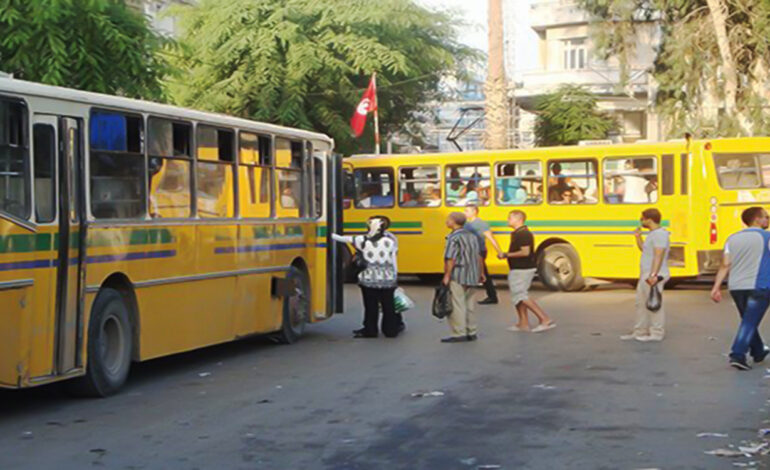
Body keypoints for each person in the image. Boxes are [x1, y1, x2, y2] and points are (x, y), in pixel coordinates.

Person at [710, 207, 770, 370]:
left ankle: (758, 351)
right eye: (766, 217)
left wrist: (716, 287)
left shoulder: (732, 238)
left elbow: (725, 264)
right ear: (758, 219)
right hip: (760, 284)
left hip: (736, 286)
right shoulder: (767, 237)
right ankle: (737, 354)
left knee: (748, 319)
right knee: (750, 321)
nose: (768, 220)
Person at [331, 216, 404, 338]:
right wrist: (395, 276)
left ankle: (370, 330)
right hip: (388, 279)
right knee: (388, 306)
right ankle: (390, 330)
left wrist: (327, 231)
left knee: (371, 306)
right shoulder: (391, 241)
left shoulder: (362, 240)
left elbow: (342, 239)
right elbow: (393, 260)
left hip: (368, 279)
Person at [498, 210, 556, 332]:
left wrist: (506, 254)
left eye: (510, 218)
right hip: (517, 268)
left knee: (521, 295)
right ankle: (523, 323)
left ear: (518, 219)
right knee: (517, 296)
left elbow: (525, 252)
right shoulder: (517, 233)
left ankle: (544, 319)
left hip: (523, 268)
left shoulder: (523, 234)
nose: (508, 220)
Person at [621, 208, 670, 342]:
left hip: (653, 274)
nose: (640, 221)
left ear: (649, 219)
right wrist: (638, 237)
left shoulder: (660, 234)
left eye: (642, 218)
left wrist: (653, 274)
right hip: (646, 273)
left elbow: (658, 255)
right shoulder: (652, 234)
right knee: (641, 303)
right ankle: (640, 331)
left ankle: (656, 332)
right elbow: (644, 249)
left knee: (654, 304)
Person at [441, 212, 485, 343]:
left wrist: (447, 275)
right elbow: (478, 255)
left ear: (453, 222)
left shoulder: (453, 237)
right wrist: (481, 272)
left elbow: (451, 258)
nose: (446, 221)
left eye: (448, 219)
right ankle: (472, 331)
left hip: (458, 273)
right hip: (472, 273)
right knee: (469, 303)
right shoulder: (472, 236)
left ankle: (459, 332)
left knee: (457, 304)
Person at [464, 204, 504, 305]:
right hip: (471, 251)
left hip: (479, 251)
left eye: (467, 211)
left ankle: (491, 296)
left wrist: (499, 251)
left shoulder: (481, 224)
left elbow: (490, 237)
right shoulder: (467, 224)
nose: (465, 213)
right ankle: (492, 296)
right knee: (479, 273)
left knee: (480, 273)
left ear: (474, 212)